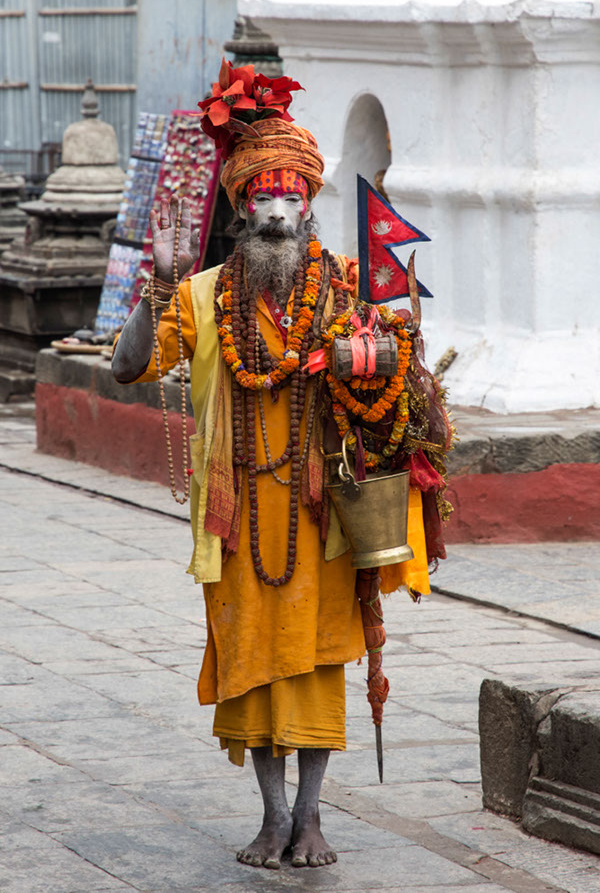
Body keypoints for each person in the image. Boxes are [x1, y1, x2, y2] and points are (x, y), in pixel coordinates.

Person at [112, 68, 433, 870]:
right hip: (236, 517)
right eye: (262, 200)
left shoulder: (344, 293)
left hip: (324, 519)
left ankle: (313, 819)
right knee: (253, 671)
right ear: (241, 208)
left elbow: (391, 384)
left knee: (319, 667)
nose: (278, 213)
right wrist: (149, 305)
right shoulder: (201, 296)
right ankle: (270, 818)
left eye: (291, 199)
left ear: (310, 207)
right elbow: (127, 372)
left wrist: (384, 356)